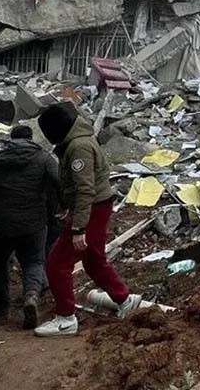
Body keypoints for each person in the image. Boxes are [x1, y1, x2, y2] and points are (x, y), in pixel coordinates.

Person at [35, 103, 139, 337]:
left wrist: (78, 227)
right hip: (96, 207)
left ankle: (65, 318)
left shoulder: (78, 147)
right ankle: (123, 299)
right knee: (93, 260)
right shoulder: (78, 141)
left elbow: (85, 189)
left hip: (91, 209)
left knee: (57, 264)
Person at [0, 125, 59, 329]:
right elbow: (59, 182)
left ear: (11, 138)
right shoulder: (43, 158)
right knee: (34, 261)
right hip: (34, 221)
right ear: (31, 138)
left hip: (1, 222)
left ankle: (0, 305)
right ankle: (31, 296)